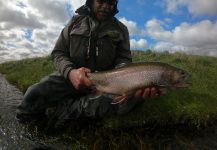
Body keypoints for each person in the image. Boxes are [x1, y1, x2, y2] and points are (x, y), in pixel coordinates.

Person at [16, 0, 163, 124]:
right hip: (71, 77)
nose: (106, 6)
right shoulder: (74, 22)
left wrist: (129, 80)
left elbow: (123, 59)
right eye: (101, 1)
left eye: (111, 2)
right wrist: (71, 72)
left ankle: (62, 112)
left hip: (108, 82)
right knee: (34, 93)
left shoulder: (121, 29)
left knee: (126, 102)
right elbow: (58, 53)